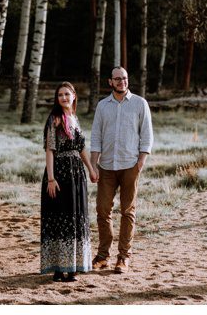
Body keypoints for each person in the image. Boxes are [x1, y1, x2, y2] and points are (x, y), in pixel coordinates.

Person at [89, 66, 153, 274]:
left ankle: (124, 257)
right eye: (117, 79)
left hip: (129, 165)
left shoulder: (139, 103)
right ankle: (102, 256)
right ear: (110, 82)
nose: (121, 82)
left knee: (128, 212)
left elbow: (147, 135)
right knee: (102, 211)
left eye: (124, 78)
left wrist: (140, 162)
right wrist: (93, 165)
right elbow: (96, 136)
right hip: (106, 166)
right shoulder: (102, 106)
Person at [40, 82, 98, 282]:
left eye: (67, 94)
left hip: (77, 175)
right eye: (60, 95)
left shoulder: (74, 118)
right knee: (59, 219)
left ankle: (72, 266)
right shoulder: (54, 119)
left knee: (75, 218)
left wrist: (91, 169)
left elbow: (81, 148)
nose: (63, 98)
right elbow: (50, 150)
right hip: (59, 173)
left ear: (74, 96)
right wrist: (50, 178)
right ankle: (58, 269)